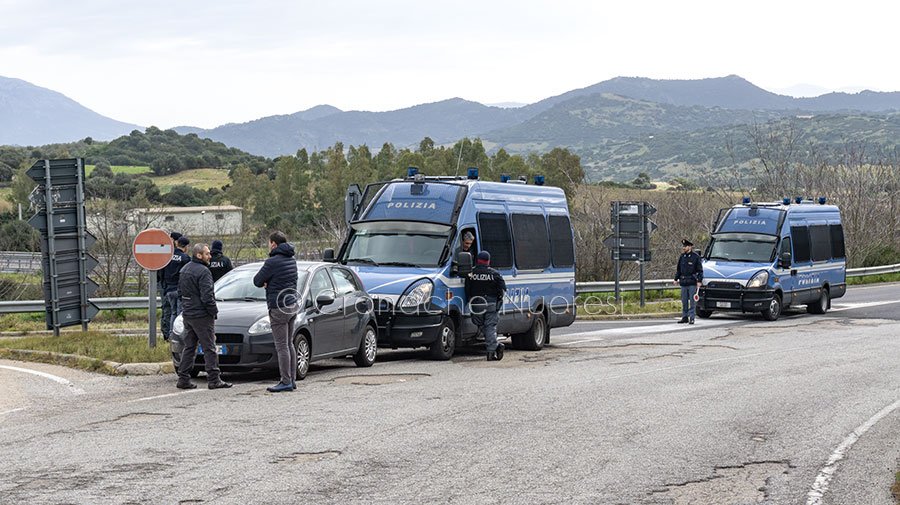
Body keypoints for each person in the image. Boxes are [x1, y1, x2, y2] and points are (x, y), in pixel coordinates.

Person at [176, 243, 231, 390]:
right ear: (199, 255)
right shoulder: (204, 272)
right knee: (210, 347)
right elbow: (207, 296)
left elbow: (180, 293)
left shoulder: (184, 269)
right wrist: (213, 312)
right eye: (207, 254)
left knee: (189, 347)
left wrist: (187, 307)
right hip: (201, 315)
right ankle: (214, 379)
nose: (210, 256)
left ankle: (183, 378)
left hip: (188, 314)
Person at [253, 231, 299, 393]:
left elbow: (257, 281)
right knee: (289, 343)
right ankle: (292, 379)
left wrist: (267, 282)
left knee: (281, 346)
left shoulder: (272, 262)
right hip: (292, 304)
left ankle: (285, 380)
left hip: (278, 306)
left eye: (269, 243)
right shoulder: (292, 260)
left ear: (273, 244)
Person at [465, 251, 507, 361]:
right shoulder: (494, 273)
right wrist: (498, 299)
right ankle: (493, 349)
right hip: (491, 303)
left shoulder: (471, 273)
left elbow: (467, 289)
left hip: (476, 303)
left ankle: (493, 348)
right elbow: (502, 289)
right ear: (488, 261)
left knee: (480, 324)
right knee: (490, 326)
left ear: (477, 260)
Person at [161, 234, 189, 340]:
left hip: (168, 289)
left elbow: (162, 271)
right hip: (179, 289)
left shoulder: (168, 256)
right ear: (185, 247)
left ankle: (171, 334)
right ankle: (178, 335)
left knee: (172, 312)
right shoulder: (185, 258)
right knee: (179, 313)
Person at [674, 239, 704, 325]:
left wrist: (699, 280)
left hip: (692, 282)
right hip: (683, 282)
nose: (684, 248)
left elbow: (700, 270)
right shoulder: (682, 257)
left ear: (690, 247)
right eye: (683, 246)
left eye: (685, 246)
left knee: (692, 301)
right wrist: (676, 279)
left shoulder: (695, 257)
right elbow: (679, 270)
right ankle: (684, 317)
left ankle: (692, 317)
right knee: (684, 301)